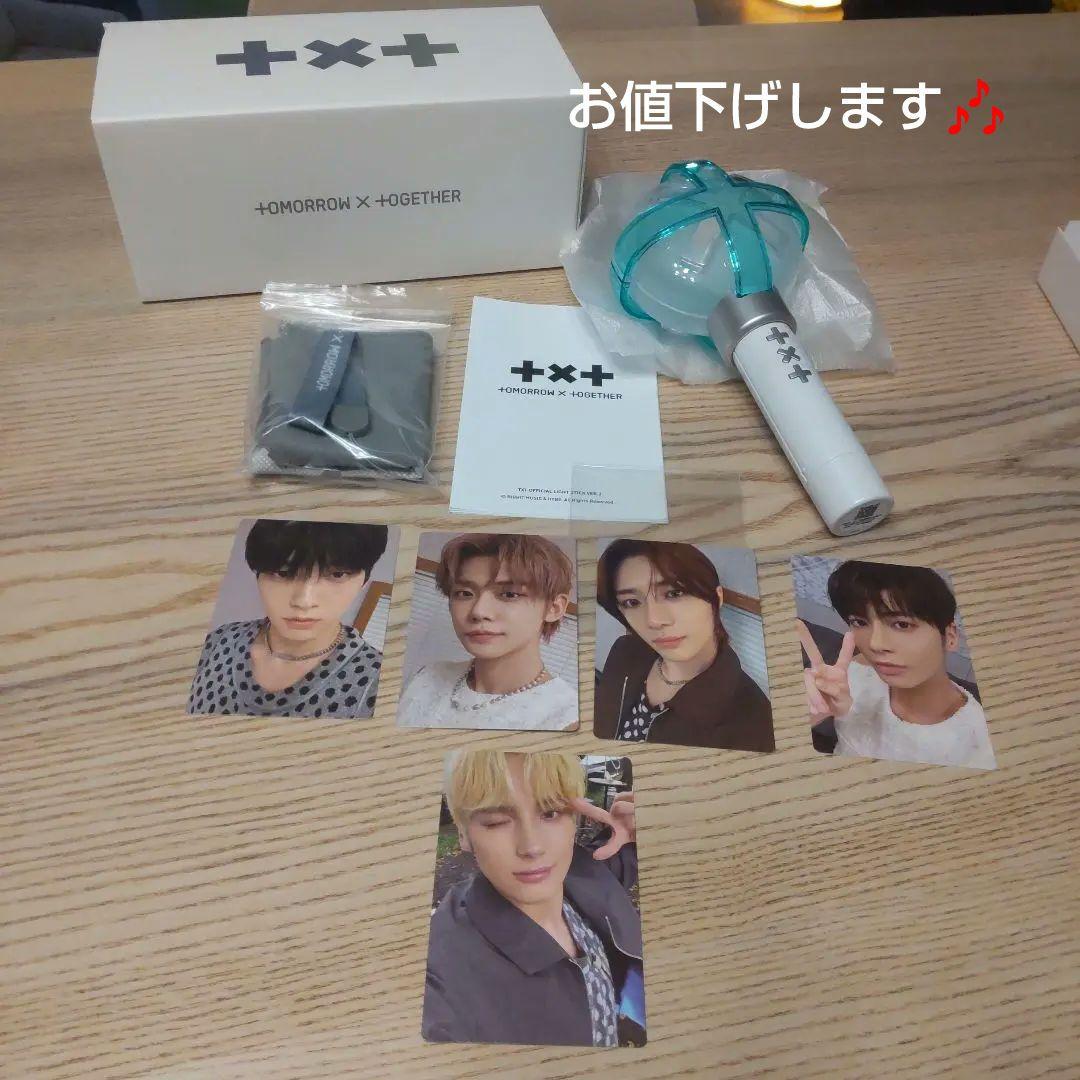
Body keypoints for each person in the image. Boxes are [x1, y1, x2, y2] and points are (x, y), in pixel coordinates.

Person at [423, 750, 645, 1048]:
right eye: (496, 822)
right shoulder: (444, 975)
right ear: (463, 833)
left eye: (550, 813)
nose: (532, 847)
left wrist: (639, 828)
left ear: (575, 819)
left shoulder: (589, 874)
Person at [796, 559, 996, 770]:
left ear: (950, 637)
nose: (876, 644)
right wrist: (816, 710)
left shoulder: (979, 745)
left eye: (902, 624)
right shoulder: (852, 674)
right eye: (860, 622)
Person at [188, 519, 389, 718]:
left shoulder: (377, 682)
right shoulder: (220, 640)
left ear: (364, 581)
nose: (304, 601)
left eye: (337, 575)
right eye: (282, 573)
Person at [594, 540, 773, 751]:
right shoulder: (624, 650)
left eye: (674, 593)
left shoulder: (756, 725)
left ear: (716, 599)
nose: (653, 620)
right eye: (632, 602)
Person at [396, 534, 578, 730]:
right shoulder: (428, 678)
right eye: (464, 594)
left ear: (554, 608)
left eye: (509, 594)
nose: (479, 611)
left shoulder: (566, 719)